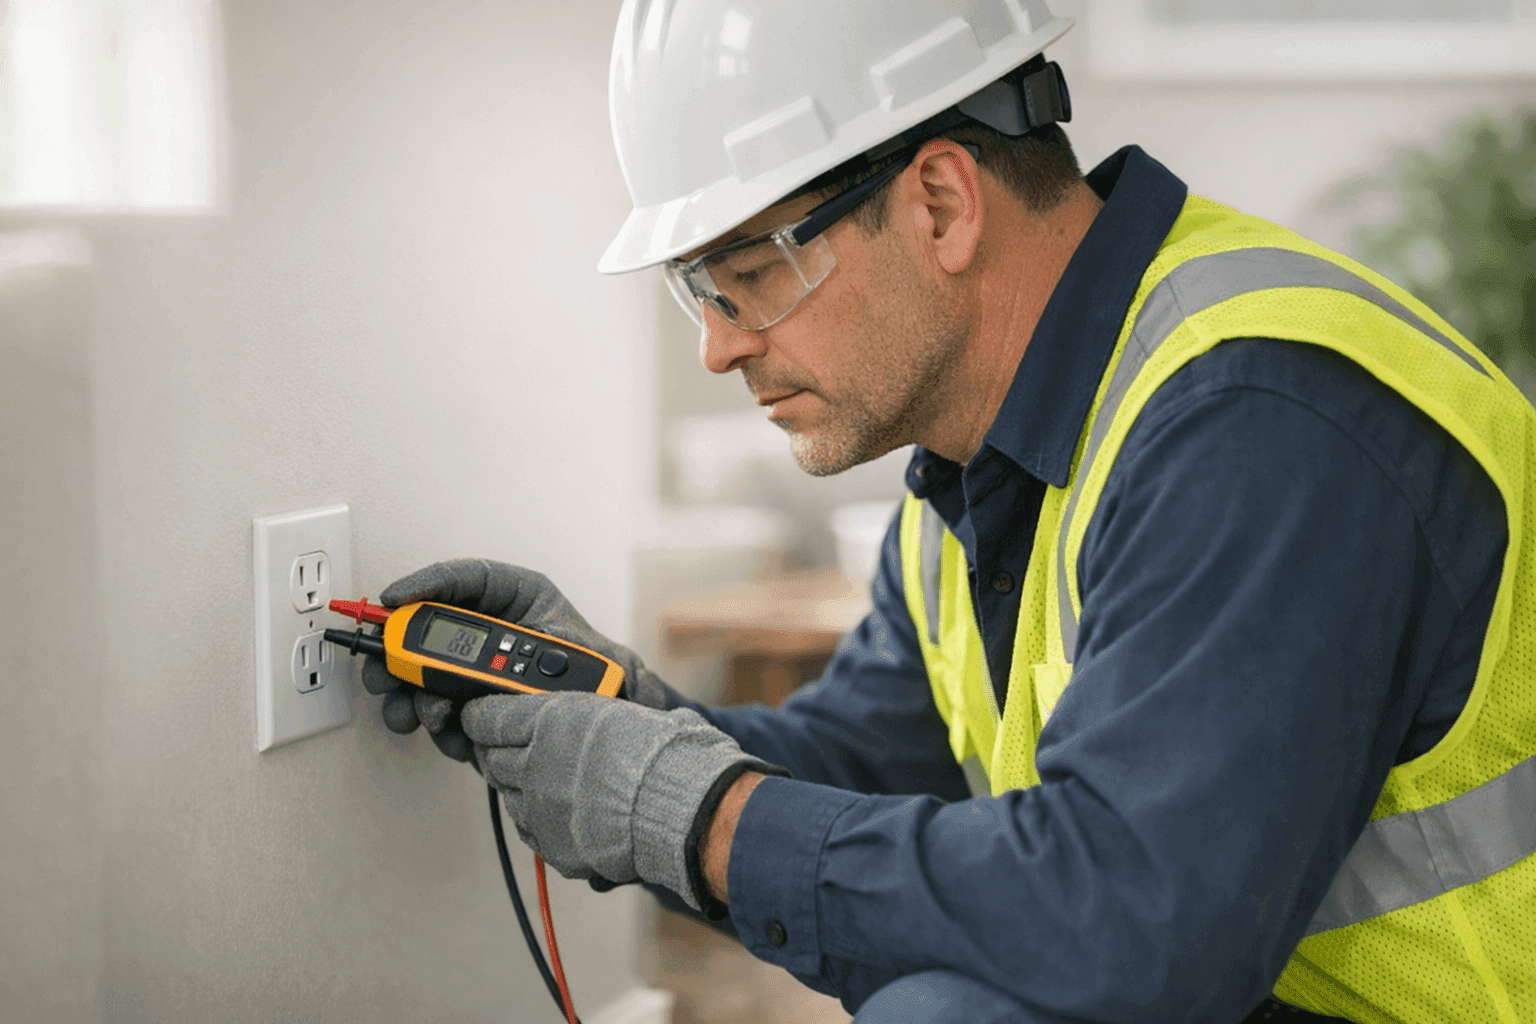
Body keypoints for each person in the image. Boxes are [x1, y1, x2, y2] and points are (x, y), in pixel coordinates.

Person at [363, 2, 1536, 1021]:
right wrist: (621, 712)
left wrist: (705, 817)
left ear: (938, 202)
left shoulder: (1253, 423)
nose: (719, 344)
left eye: (753, 271)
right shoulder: (971, 470)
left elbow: (1139, 921)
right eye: (697, 292)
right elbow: (866, 776)